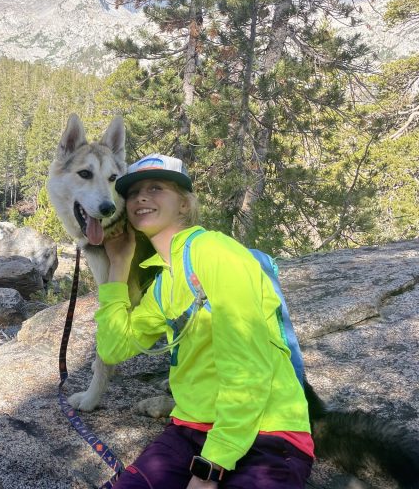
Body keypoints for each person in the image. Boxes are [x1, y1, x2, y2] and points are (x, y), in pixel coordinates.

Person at [96, 153, 314, 489]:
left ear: (184, 205)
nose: (141, 197)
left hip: (268, 434)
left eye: (156, 188)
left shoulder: (215, 251)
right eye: (134, 192)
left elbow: (248, 364)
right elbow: (113, 348)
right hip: (190, 431)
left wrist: (211, 466)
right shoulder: (163, 284)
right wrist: (118, 265)